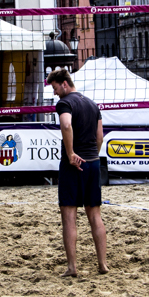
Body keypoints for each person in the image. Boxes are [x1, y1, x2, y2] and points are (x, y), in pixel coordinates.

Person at [48, 68, 107, 276]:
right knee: (95, 215)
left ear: (64, 83)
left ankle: (72, 267)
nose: (54, 93)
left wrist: (71, 153)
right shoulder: (92, 104)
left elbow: (65, 125)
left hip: (74, 165)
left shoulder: (65, 103)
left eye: (55, 88)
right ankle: (102, 264)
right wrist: (93, 156)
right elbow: (100, 136)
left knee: (69, 216)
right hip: (92, 163)